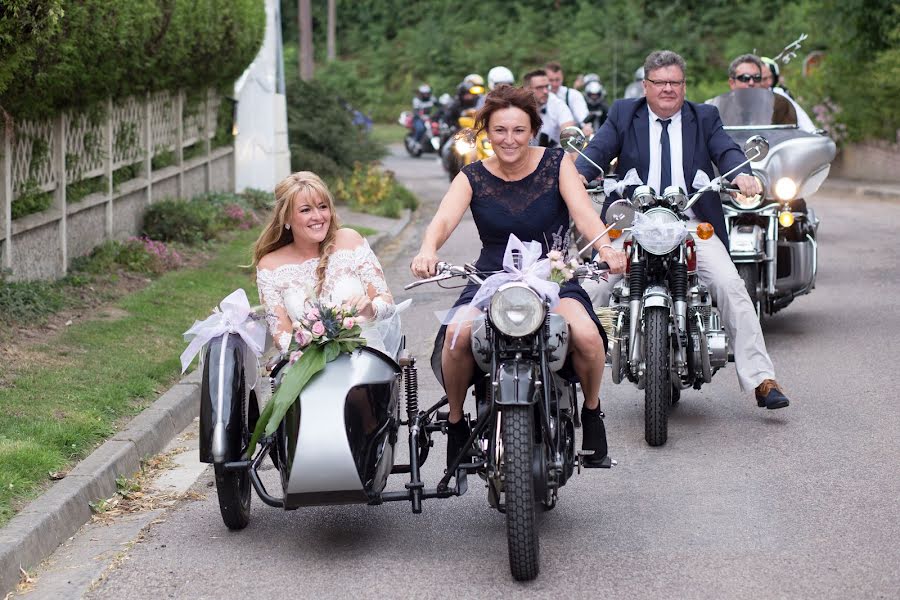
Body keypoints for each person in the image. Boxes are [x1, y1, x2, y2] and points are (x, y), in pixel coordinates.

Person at [410, 85, 628, 468]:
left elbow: (583, 213)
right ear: (486, 132)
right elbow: (444, 218)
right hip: (490, 279)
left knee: (589, 336)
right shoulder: (472, 175)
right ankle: (458, 422)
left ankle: (592, 413)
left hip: (554, 273)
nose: (509, 140)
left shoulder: (557, 163)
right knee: (457, 337)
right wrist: (428, 250)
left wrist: (606, 247)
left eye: (518, 130)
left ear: (532, 131)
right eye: (499, 130)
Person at [575, 50, 791, 410]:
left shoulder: (704, 117)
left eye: (675, 82)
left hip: (690, 223)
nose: (668, 89)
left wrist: (742, 174)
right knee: (589, 288)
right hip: (635, 222)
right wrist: (578, 174)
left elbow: (726, 150)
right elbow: (598, 150)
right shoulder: (623, 114)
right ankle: (567, 380)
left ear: (684, 85)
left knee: (730, 285)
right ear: (645, 85)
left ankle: (761, 379)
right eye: (659, 83)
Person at [254, 171, 398, 356]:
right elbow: (281, 336)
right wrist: (311, 343)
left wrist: (371, 309)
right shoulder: (270, 266)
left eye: (322, 207)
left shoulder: (350, 240)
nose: (318, 216)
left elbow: (387, 302)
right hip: (310, 365)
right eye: (305, 210)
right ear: (286, 218)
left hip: (364, 356)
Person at [761, 56, 817, 132]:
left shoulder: (779, 95)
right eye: (764, 79)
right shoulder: (742, 96)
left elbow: (804, 122)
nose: (769, 82)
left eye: (771, 78)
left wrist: (813, 134)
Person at [523, 69, 576, 147]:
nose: (545, 91)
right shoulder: (519, 107)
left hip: (554, 154)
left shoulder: (557, 104)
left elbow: (570, 135)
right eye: (539, 87)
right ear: (527, 89)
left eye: (547, 86)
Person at [546, 61, 592, 135]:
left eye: (557, 80)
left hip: (570, 141)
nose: (554, 84)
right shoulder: (539, 98)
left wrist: (586, 127)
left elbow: (583, 118)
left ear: (562, 78)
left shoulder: (573, 95)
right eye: (551, 80)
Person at [410, 83, 435, 152]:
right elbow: (416, 111)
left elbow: (438, 104)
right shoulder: (416, 100)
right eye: (424, 93)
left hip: (429, 118)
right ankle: (415, 141)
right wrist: (421, 116)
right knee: (421, 128)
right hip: (418, 118)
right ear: (421, 94)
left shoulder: (432, 98)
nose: (426, 95)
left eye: (427, 93)